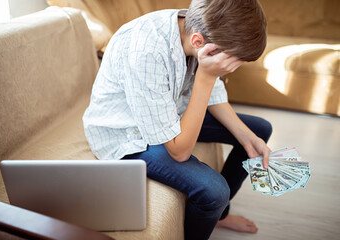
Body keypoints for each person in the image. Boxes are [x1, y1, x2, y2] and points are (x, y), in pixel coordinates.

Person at [83, 0, 272, 239]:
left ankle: (219, 216)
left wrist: (247, 138)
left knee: (259, 130)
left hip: (169, 111)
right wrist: (206, 76)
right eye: (232, 62)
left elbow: (213, 97)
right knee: (213, 191)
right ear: (199, 43)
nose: (233, 69)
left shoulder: (194, 25)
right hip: (128, 133)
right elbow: (178, 152)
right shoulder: (145, 50)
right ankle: (213, 213)